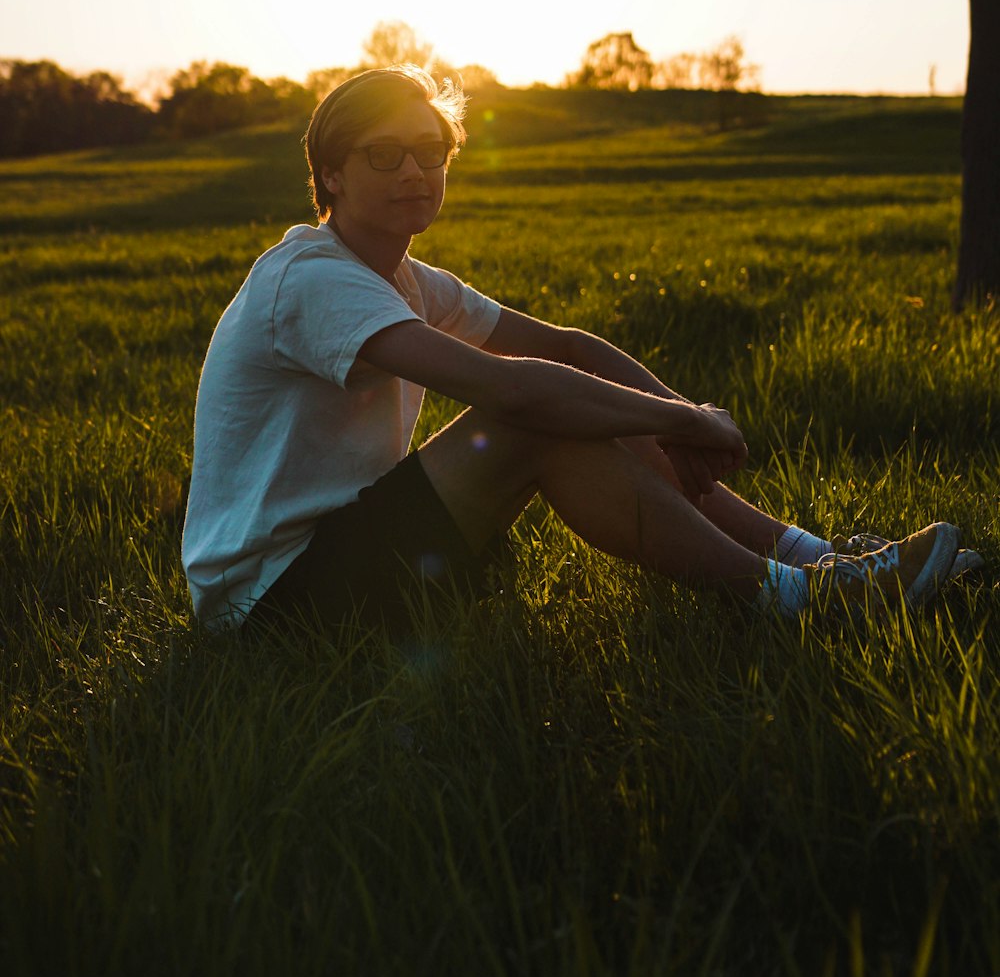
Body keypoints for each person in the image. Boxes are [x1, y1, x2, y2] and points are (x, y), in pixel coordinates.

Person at [181, 66, 970, 638]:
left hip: (350, 553)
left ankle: (824, 563)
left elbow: (563, 347)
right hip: (269, 605)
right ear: (330, 173)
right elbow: (515, 392)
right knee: (538, 420)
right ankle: (806, 602)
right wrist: (682, 422)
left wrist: (674, 418)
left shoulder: (404, 276)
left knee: (575, 397)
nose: (415, 170)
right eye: (384, 155)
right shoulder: (314, 278)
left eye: (431, 150)